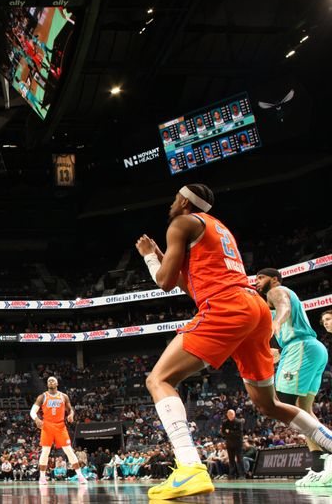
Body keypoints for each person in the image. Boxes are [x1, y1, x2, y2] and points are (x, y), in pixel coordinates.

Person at [135, 183, 332, 499]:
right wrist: (162, 253)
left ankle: (189, 467)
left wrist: (149, 257)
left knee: (158, 379)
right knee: (268, 404)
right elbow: (192, 289)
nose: (172, 203)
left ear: (185, 201)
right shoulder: (217, 228)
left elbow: (164, 282)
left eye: (175, 198)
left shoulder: (180, 222)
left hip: (227, 306)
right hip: (253, 308)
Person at [255, 268, 330, 486]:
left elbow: (284, 307)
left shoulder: (278, 291)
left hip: (301, 347)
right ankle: (319, 463)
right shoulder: (269, 310)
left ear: (274, 279)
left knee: (282, 403)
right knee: (303, 410)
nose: (257, 282)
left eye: (261, 278)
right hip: (307, 348)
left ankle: (329, 452)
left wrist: (276, 323)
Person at [31, 377, 86, 485]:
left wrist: (71, 415)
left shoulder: (63, 396)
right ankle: (42, 477)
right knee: (45, 452)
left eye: (53, 380)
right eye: (49, 381)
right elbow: (32, 411)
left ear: (57, 383)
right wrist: (36, 419)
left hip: (60, 426)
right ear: (47, 385)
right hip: (47, 426)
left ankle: (80, 476)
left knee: (69, 451)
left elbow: (70, 409)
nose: (51, 381)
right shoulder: (42, 397)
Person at [220, 410, 244, 479]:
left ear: (234, 414)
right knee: (231, 460)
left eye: (232, 414)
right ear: (227, 415)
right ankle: (232, 475)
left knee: (239, 459)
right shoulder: (225, 422)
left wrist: (229, 432)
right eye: (229, 414)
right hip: (229, 443)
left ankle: (242, 475)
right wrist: (230, 433)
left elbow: (239, 432)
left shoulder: (239, 422)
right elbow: (223, 432)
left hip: (238, 443)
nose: (230, 415)